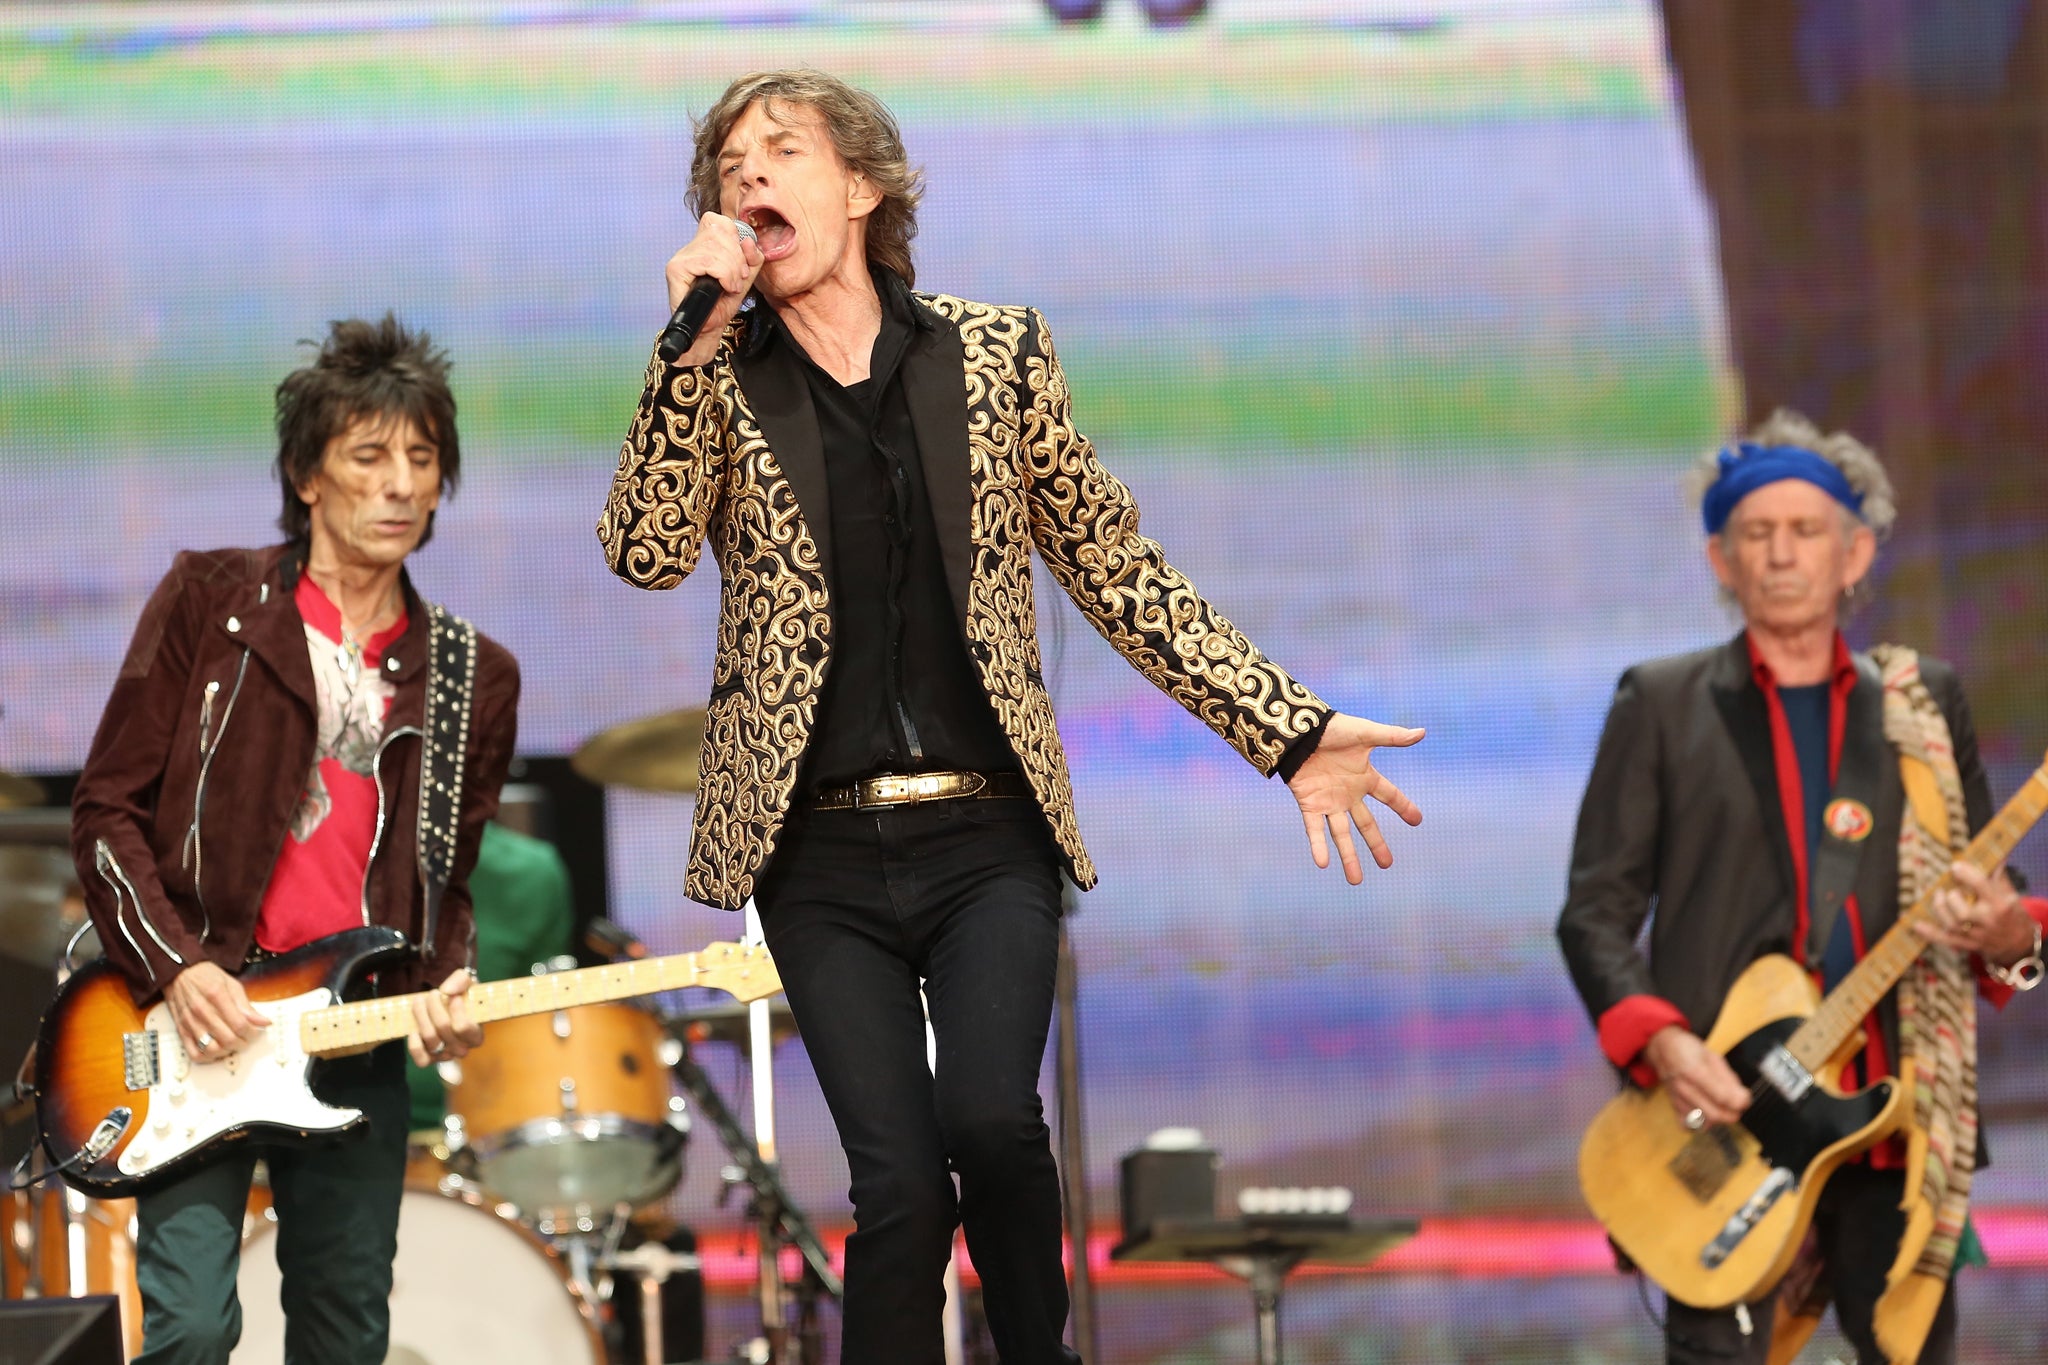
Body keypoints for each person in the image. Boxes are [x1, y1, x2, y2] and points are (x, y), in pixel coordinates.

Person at [599, 68, 1423, 1365]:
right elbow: (644, 550)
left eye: (781, 151)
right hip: (814, 850)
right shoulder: (717, 375)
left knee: (990, 1123)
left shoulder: (993, 354)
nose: (748, 179)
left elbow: (1114, 568)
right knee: (901, 1189)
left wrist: (1289, 729)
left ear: (862, 186)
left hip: (987, 835)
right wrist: (688, 351)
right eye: (727, 167)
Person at [71, 315, 520, 1364]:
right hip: (196, 1026)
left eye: (422, 460)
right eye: (370, 456)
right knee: (186, 1329)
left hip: (351, 1039)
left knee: (344, 1332)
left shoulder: (471, 675)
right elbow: (104, 812)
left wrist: (449, 982)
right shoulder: (209, 602)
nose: (402, 485)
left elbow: (446, 883)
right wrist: (179, 970)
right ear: (307, 475)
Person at [1556, 412, 2048, 1364]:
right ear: (1720, 558)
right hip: (1727, 1119)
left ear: (1856, 552)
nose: (1782, 554)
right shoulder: (1659, 702)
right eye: (1756, 533)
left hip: (1893, 1127)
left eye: (1808, 530)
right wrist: (1660, 1039)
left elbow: (1997, 899)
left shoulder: (1921, 700)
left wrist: (2007, 935)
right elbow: (1596, 912)